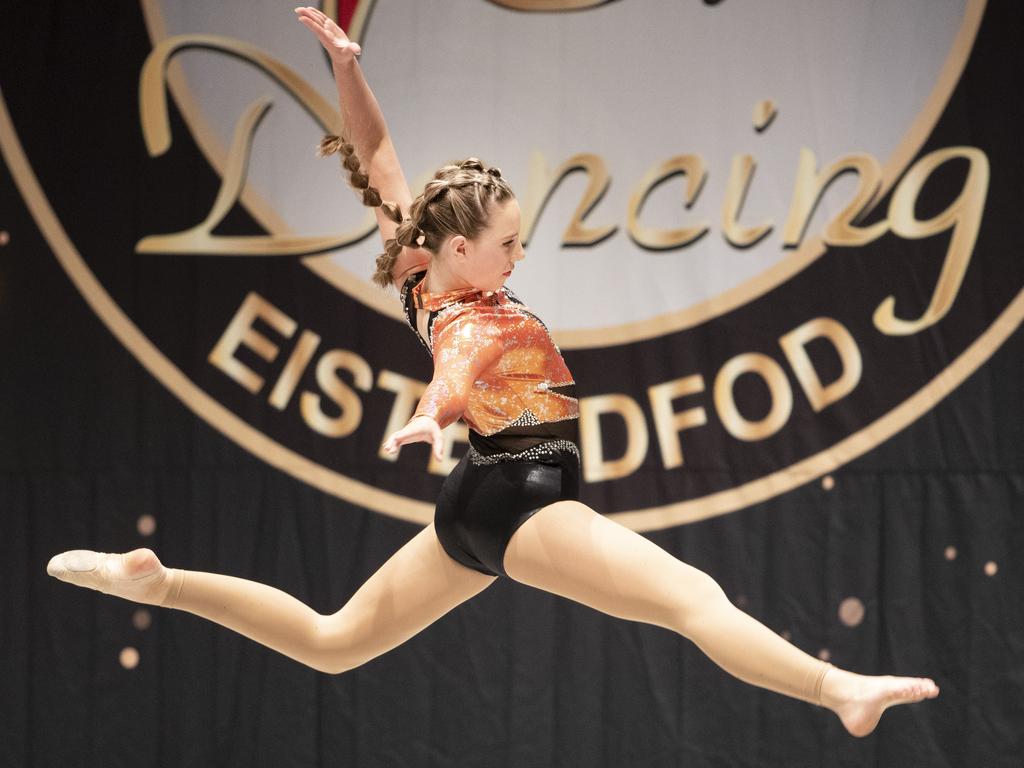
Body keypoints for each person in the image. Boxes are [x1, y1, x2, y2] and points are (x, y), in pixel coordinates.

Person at [46, 6, 939, 740]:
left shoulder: (418, 265)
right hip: (521, 496)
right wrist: (434, 417)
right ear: (464, 249)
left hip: (480, 502)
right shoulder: (466, 314)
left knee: (333, 641)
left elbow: (378, 154)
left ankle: (161, 584)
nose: (518, 256)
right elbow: (460, 368)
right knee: (692, 599)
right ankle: (836, 691)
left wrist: (349, 73)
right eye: (508, 245)